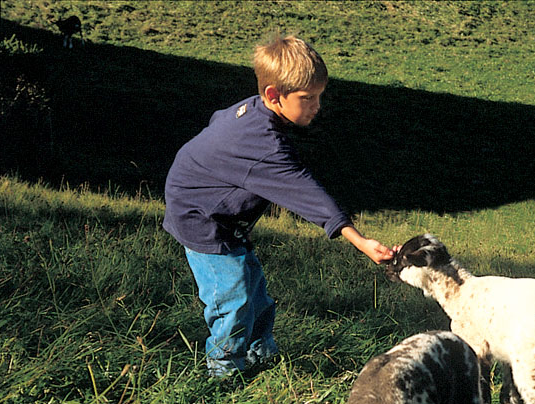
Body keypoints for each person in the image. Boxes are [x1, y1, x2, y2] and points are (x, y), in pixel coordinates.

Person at [163, 34, 394, 379]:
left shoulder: (252, 109)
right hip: (202, 219)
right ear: (274, 95)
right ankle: (223, 374)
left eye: (319, 95)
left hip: (220, 212)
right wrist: (359, 241)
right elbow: (306, 191)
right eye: (308, 98)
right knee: (234, 299)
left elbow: (217, 119)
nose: (317, 105)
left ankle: (260, 355)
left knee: (256, 292)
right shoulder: (264, 147)